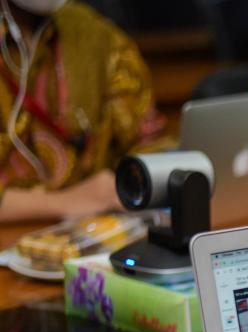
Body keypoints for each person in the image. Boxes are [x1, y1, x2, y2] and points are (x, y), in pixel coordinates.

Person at [0, 0, 164, 222]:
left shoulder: (94, 34)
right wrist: (65, 202)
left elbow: (148, 140)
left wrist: (133, 184)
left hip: (97, 230)